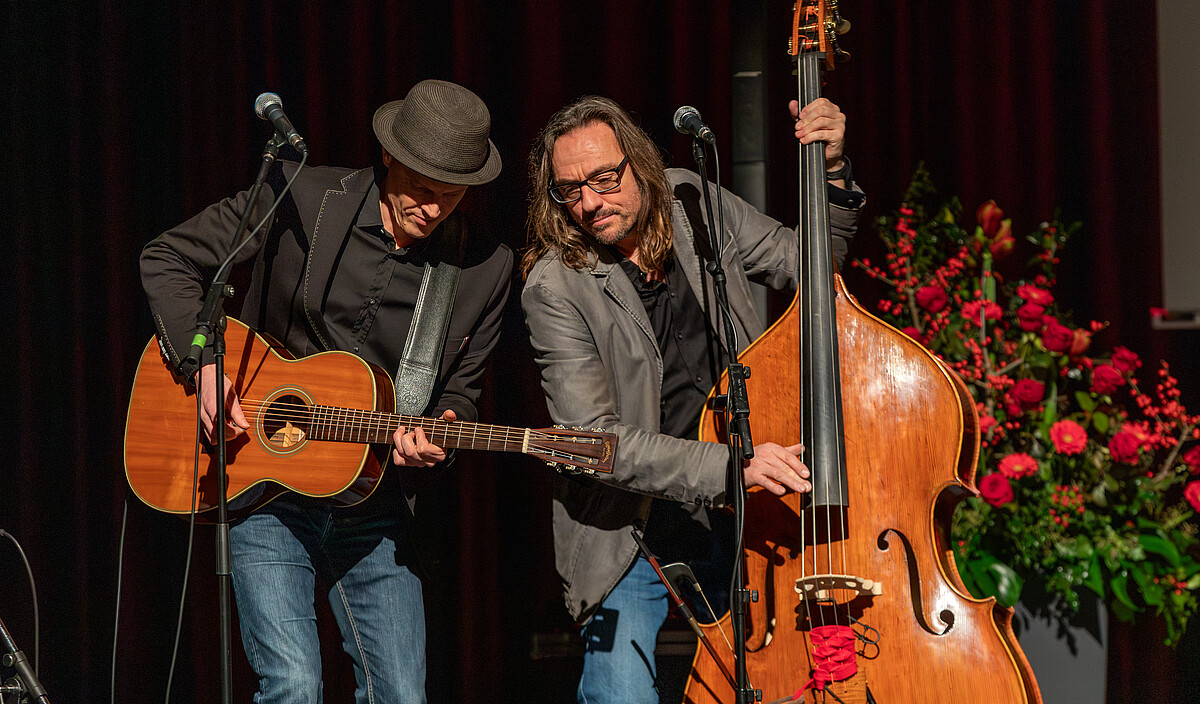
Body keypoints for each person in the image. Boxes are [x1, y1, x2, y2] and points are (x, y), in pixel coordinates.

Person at [140, 79, 513, 704]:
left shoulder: (484, 266)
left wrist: (442, 431)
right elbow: (168, 257)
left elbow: (461, 393)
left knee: (402, 694)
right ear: (389, 154)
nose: (434, 209)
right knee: (294, 684)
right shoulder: (303, 197)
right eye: (422, 188)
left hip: (373, 497)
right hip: (264, 480)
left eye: (452, 195)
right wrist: (202, 366)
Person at [520, 95, 863, 703]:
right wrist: (733, 467)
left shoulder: (692, 200)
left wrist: (831, 170)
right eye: (570, 190)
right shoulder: (555, 286)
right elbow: (595, 443)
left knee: (788, 682)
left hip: (746, 510)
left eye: (605, 179)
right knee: (621, 694)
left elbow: (813, 265)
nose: (590, 202)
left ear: (639, 163)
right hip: (631, 527)